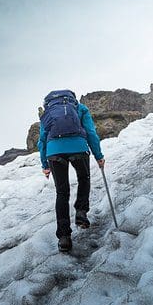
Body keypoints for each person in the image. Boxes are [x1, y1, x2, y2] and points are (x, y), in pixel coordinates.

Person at [38, 90, 105, 252]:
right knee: (84, 178)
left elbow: (42, 139)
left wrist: (45, 165)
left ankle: (64, 237)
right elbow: (90, 133)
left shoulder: (47, 113)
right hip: (78, 147)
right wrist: (98, 156)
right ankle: (81, 212)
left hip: (54, 151)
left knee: (62, 192)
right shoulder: (80, 108)